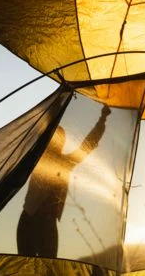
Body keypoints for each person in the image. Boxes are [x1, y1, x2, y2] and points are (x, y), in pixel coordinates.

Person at [16, 105, 111, 258]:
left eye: (60, 139)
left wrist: (102, 119)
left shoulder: (64, 163)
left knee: (49, 268)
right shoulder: (38, 159)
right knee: (28, 267)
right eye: (55, 139)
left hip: (47, 222)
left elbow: (88, 145)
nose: (58, 143)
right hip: (30, 220)